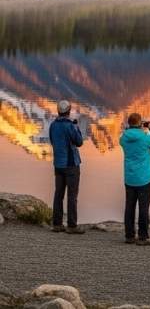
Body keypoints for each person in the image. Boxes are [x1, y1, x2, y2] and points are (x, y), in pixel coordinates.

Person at [119, 113, 150, 246]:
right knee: (143, 208)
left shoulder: (123, 138)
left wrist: (133, 128)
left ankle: (129, 236)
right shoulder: (145, 138)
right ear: (140, 124)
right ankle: (143, 237)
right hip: (144, 178)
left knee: (129, 207)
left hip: (130, 178)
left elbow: (127, 135)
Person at [49, 100, 85, 234]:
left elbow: (53, 141)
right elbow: (79, 142)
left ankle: (57, 224)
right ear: (68, 111)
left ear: (58, 111)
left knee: (58, 194)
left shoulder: (53, 125)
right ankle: (72, 225)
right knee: (72, 195)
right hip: (71, 164)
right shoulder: (70, 125)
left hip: (58, 164)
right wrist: (76, 127)